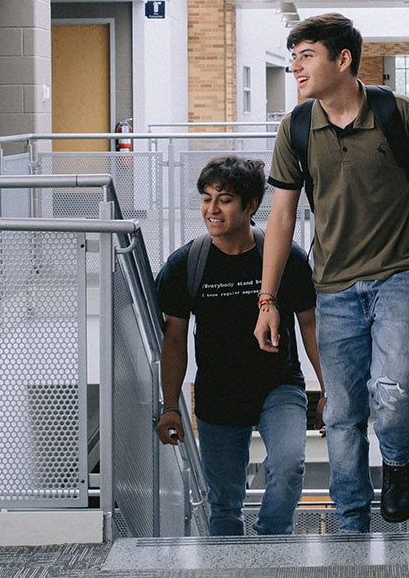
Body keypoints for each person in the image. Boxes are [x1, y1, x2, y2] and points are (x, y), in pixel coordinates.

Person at [255, 13, 409, 532]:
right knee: (342, 414)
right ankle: (350, 522)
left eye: (307, 56)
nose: (296, 67)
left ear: (342, 60)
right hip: (334, 286)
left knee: (393, 392)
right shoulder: (297, 127)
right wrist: (267, 299)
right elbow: (280, 216)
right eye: (293, 56)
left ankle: (395, 459)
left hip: (400, 273)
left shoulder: (397, 113)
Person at [156, 156, 323, 536]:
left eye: (224, 199)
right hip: (218, 394)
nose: (211, 209)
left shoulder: (284, 259)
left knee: (289, 464)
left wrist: (329, 387)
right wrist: (169, 405)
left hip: (278, 385)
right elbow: (175, 338)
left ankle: (271, 542)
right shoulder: (186, 264)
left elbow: (310, 323)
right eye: (205, 198)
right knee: (225, 505)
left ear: (250, 206)